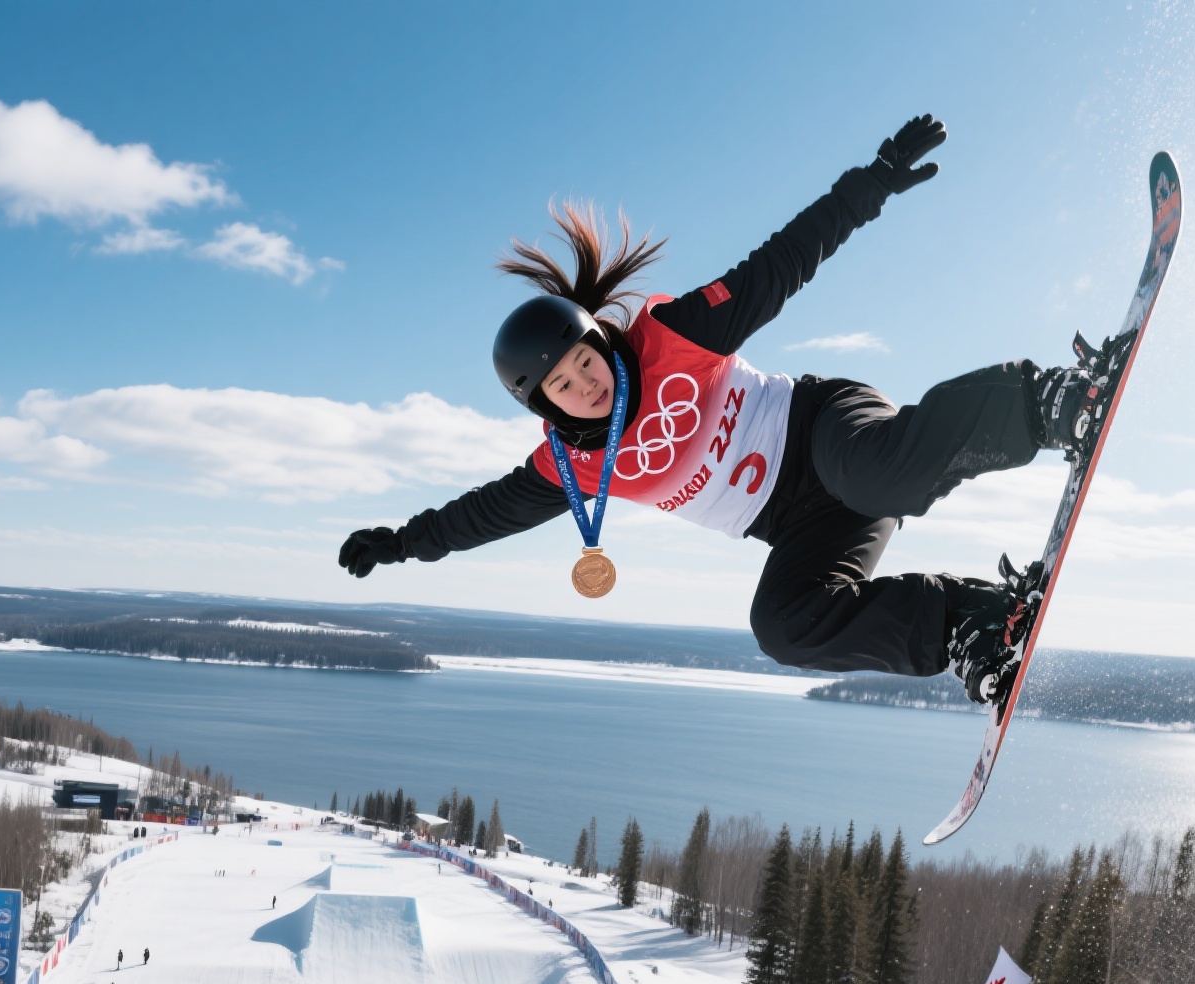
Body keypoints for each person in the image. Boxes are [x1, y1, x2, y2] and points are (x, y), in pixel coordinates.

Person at [338, 117, 1130, 705]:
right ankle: (971, 623)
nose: (586, 384)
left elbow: (777, 266)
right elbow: (483, 516)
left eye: (586, 360)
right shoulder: (572, 468)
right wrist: (403, 542)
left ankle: (1050, 401)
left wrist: (873, 183)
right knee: (783, 627)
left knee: (877, 471)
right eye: (564, 386)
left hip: (823, 431)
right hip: (802, 525)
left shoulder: (673, 336)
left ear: (599, 341)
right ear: (540, 403)